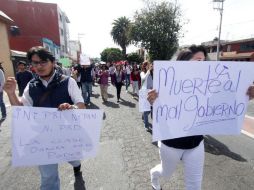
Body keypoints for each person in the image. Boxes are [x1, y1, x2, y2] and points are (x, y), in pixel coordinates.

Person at [148, 45, 254, 190]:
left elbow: (225, 102)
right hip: (171, 144)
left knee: (194, 185)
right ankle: (154, 174)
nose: (202, 64)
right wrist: (154, 101)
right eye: (198, 60)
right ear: (184, 62)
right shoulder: (168, 83)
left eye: (204, 60)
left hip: (196, 144)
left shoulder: (209, 85)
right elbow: (161, 118)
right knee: (165, 172)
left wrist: (245, 94)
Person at [4, 46, 86, 190]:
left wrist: (71, 107)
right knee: (48, 178)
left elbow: (81, 105)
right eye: (35, 63)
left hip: (66, 135)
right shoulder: (31, 86)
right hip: (43, 139)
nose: (39, 66)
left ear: (53, 62)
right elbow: (22, 112)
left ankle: (76, 165)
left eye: (43, 62)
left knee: (72, 158)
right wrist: (11, 94)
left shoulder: (68, 82)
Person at [140, 61, 153, 131]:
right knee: (146, 109)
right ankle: (146, 125)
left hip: (151, 92)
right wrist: (148, 71)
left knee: (150, 109)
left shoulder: (151, 73)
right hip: (144, 93)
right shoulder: (142, 73)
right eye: (148, 65)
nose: (150, 66)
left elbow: (152, 82)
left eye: (150, 65)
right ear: (145, 66)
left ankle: (143, 115)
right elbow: (144, 78)